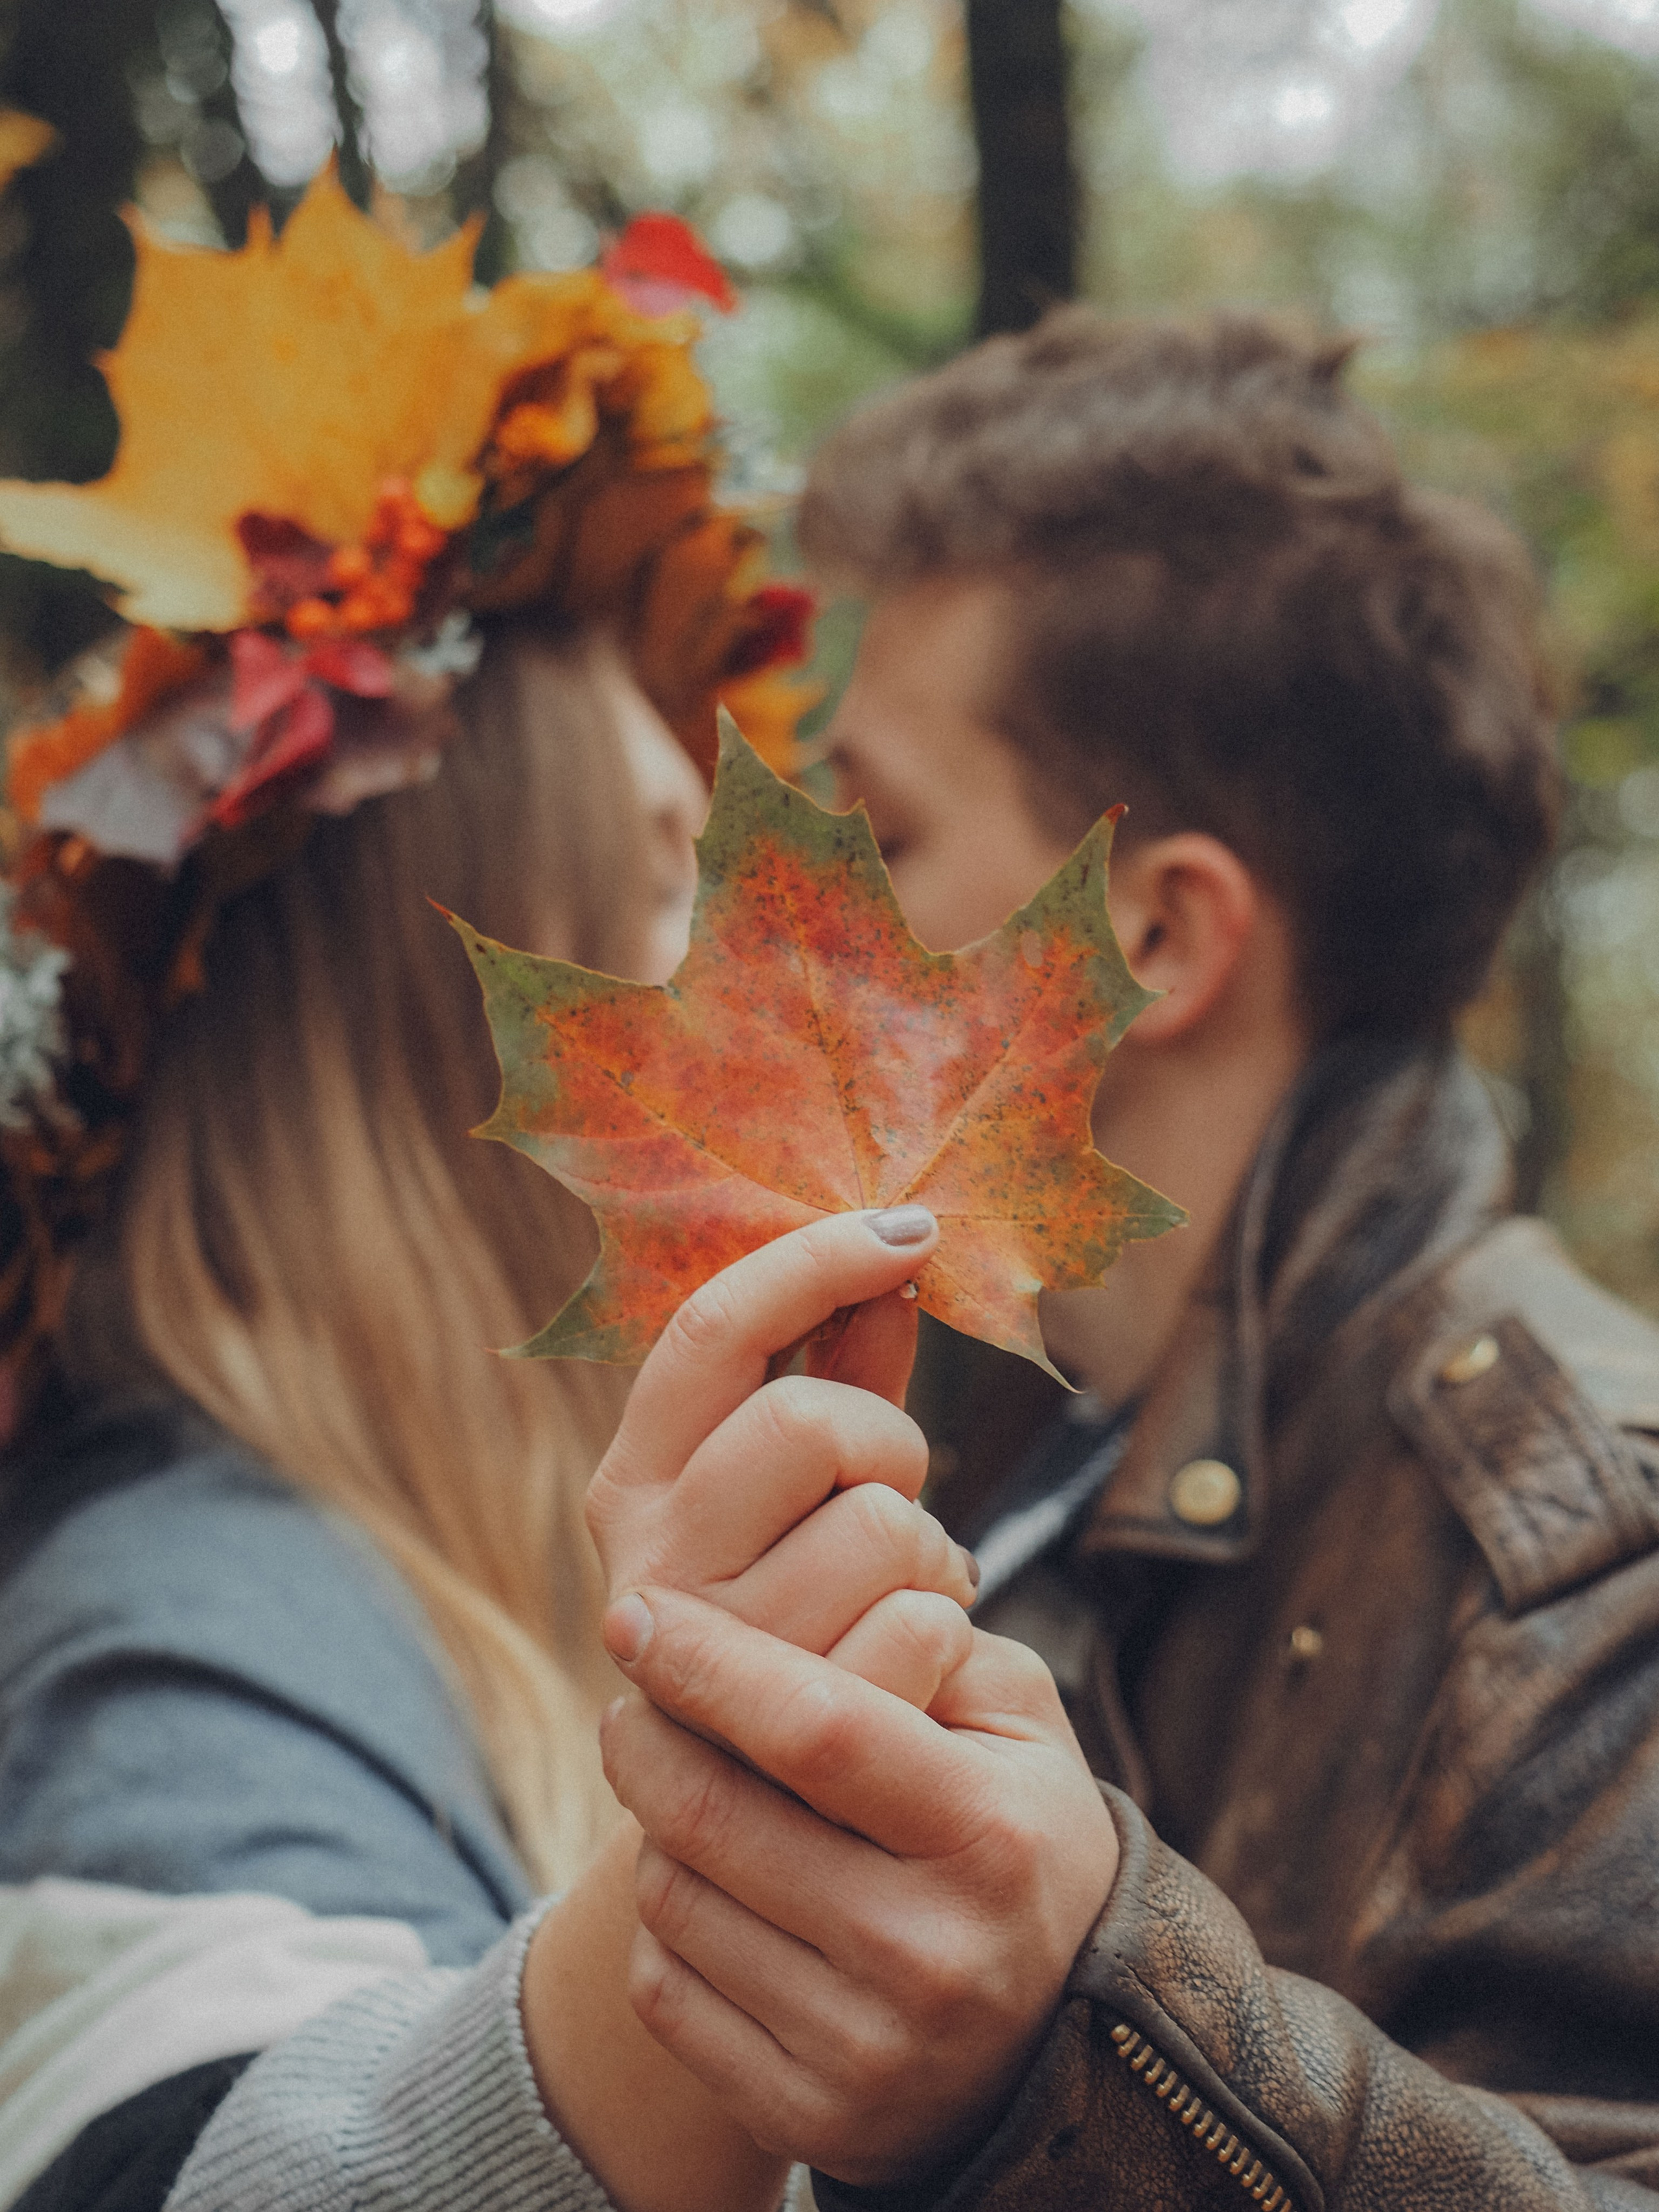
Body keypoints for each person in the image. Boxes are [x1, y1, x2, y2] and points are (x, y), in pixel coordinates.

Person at [575, 312, 1659, 2209]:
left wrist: (1076, 2040)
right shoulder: (987, 1462)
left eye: (881, 836)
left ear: (1155, 942)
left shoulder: (1588, 1571)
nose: (802, 930)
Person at [0, 174, 978, 2212]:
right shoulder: (191, 1618)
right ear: (434, 981)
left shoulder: (486, 1560)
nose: (746, 990)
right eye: (646, 874)